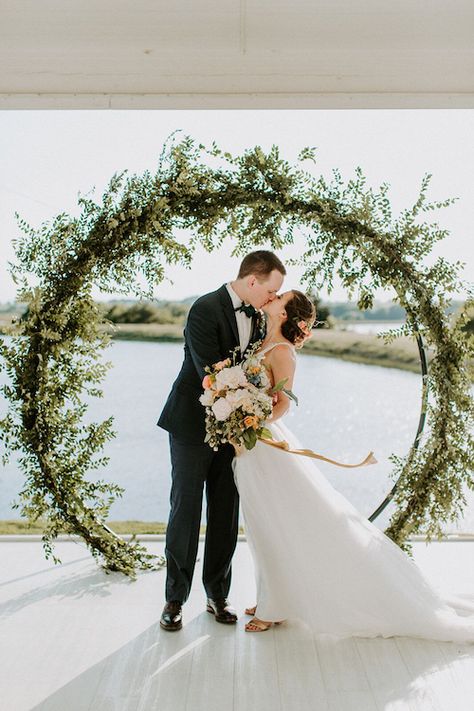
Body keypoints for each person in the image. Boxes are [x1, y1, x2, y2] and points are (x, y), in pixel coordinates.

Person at [234, 290, 474, 642]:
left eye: (280, 296)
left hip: (267, 444)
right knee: (261, 521)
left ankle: (275, 606)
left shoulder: (282, 351)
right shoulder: (262, 340)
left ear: (285, 314)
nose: (274, 296)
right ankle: (270, 593)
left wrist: (250, 420)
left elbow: (283, 403)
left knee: (277, 521)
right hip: (252, 448)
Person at [157, 250, 286, 631]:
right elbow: (211, 374)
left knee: (226, 511)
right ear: (252, 281)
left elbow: (255, 368)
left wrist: (258, 405)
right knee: (185, 509)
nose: (272, 298)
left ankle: (217, 594)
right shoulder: (203, 309)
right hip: (191, 424)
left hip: (235, 431)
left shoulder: (260, 318)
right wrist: (247, 400)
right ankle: (174, 599)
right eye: (271, 290)